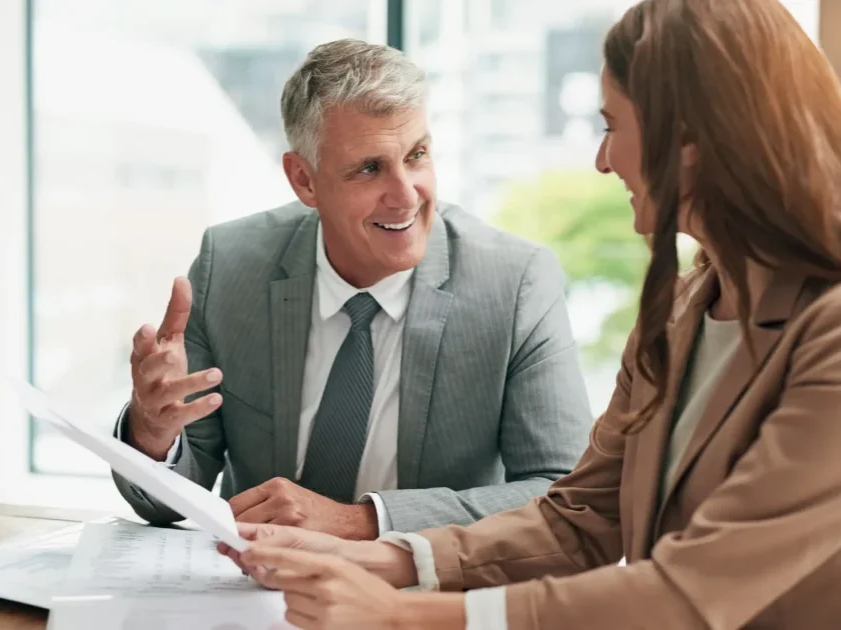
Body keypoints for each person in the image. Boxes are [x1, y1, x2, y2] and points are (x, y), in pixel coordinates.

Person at [217, 1, 841, 628]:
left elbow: (692, 592)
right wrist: (377, 557)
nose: (603, 160)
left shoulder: (831, 331)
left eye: (611, 124)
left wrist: (406, 617)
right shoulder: (681, 312)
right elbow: (578, 521)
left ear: (688, 141)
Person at [113, 38, 593, 540]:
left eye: (417, 155)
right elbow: (172, 499)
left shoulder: (516, 284)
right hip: (257, 594)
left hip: (420, 600)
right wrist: (151, 432)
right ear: (304, 180)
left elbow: (566, 496)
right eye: (370, 168)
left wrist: (362, 521)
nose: (406, 196)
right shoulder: (230, 265)